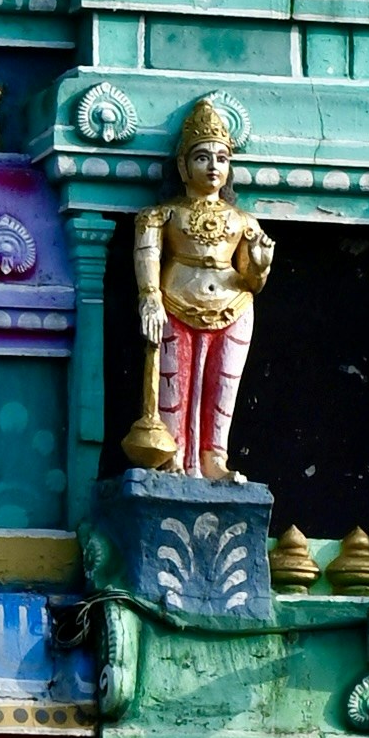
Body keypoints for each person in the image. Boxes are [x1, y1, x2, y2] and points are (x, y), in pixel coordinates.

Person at [127, 98, 275, 477]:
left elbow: (252, 281)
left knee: (223, 386)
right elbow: (147, 256)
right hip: (176, 301)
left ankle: (214, 457)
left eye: (221, 159)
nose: (213, 166)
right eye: (202, 157)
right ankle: (174, 455)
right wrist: (149, 298)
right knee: (175, 383)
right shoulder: (162, 215)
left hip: (234, 305)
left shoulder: (243, 221)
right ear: (183, 166)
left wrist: (260, 265)